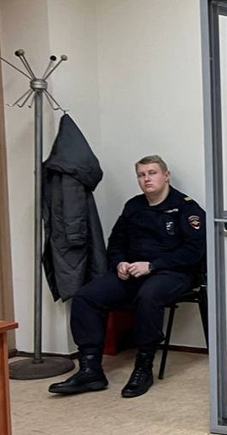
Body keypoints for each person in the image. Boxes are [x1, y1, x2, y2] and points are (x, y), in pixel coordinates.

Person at [49, 155, 206, 399]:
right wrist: (120, 263)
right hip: (134, 272)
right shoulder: (134, 206)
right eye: (141, 175)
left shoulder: (186, 208)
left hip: (174, 273)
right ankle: (90, 370)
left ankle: (143, 367)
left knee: (148, 296)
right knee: (86, 296)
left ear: (166, 176)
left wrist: (152, 266)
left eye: (152, 173)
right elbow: (116, 243)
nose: (146, 179)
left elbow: (193, 252)